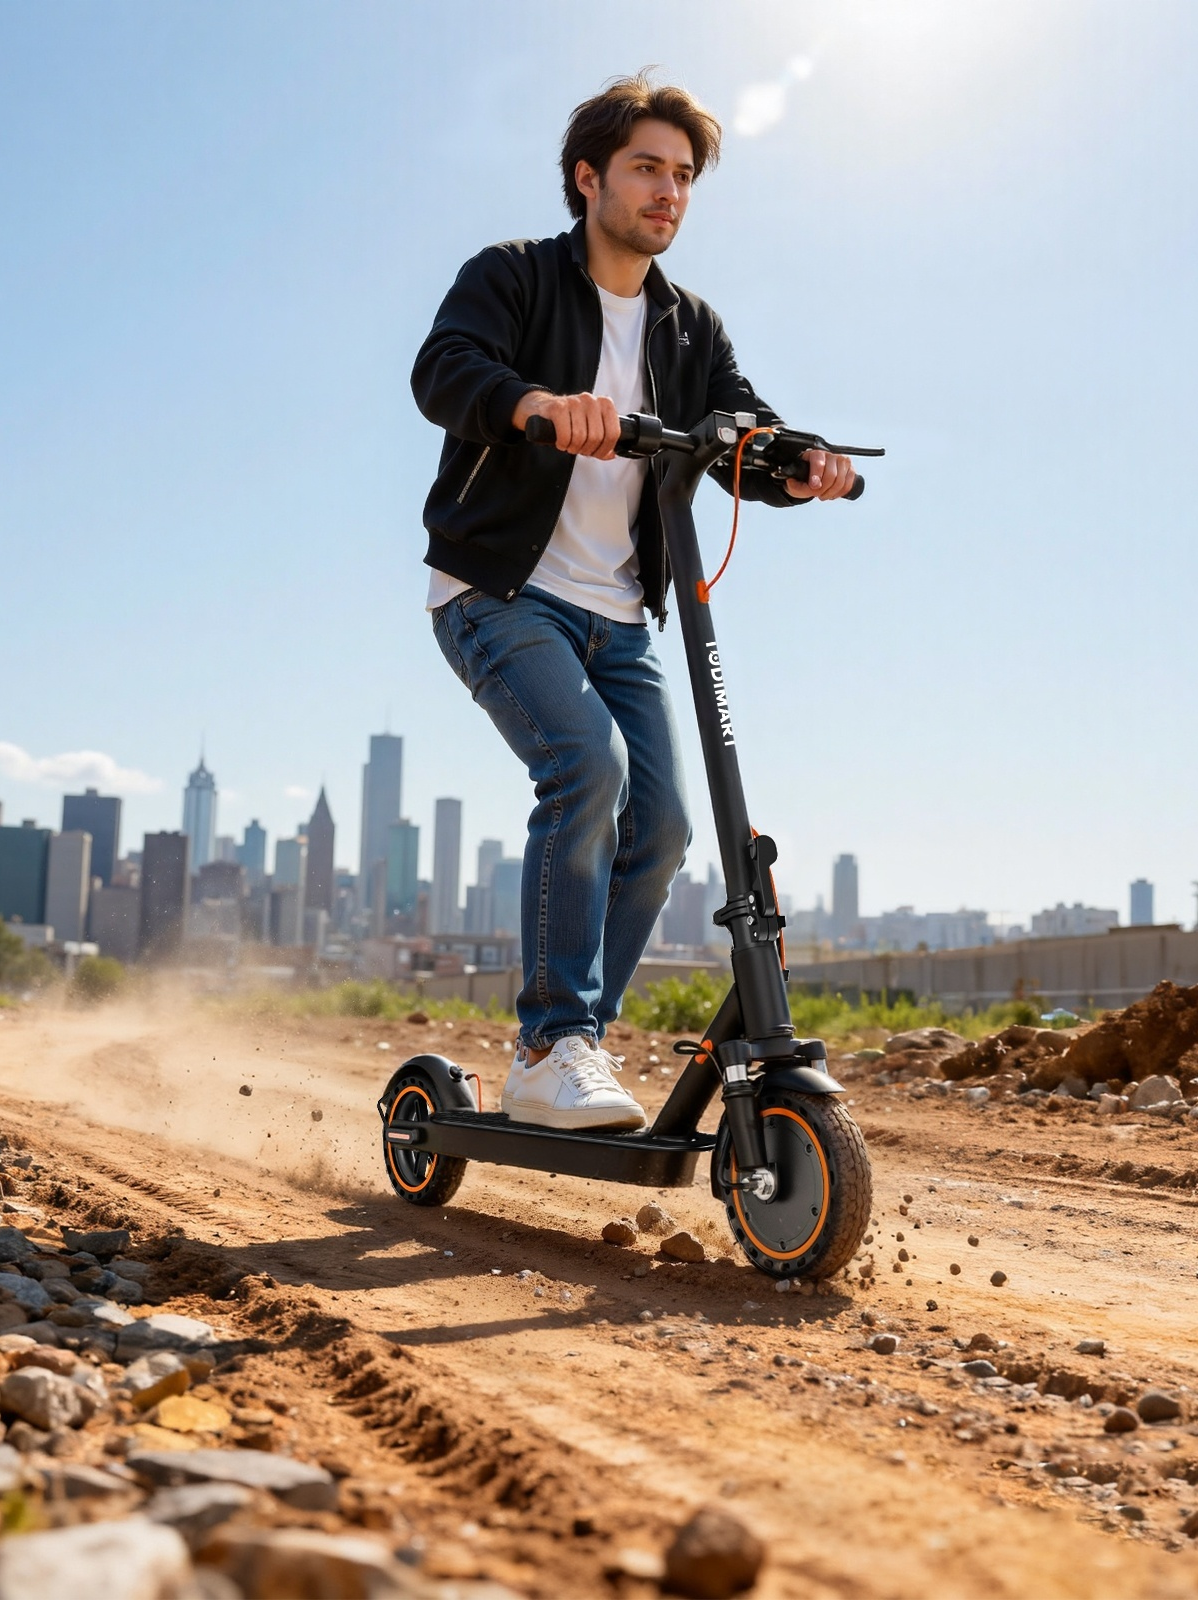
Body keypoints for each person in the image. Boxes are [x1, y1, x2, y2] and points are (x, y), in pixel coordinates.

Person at [411, 74, 858, 1133]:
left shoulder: (688, 326)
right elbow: (445, 368)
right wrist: (532, 404)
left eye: (684, 175)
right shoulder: (514, 277)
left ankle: (566, 1046)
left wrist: (799, 462)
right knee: (587, 767)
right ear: (587, 177)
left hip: (620, 616)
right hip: (500, 593)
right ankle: (551, 1038)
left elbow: (740, 425)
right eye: (648, 168)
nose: (669, 191)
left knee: (658, 829)